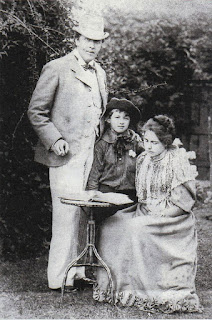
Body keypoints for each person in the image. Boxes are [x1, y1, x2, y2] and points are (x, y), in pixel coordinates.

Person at [27, 13, 109, 291]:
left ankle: (79, 272)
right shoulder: (57, 68)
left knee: (87, 213)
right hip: (64, 157)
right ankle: (59, 278)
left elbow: (100, 114)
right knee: (65, 215)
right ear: (76, 40)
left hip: (91, 156)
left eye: (97, 41)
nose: (92, 45)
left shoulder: (100, 72)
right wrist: (55, 139)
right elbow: (36, 112)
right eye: (87, 39)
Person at [93, 115, 200, 313]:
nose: (148, 146)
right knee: (111, 225)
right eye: (146, 141)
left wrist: (160, 215)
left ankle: (144, 290)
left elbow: (183, 203)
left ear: (166, 142)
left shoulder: (176, 161)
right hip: (144, 210)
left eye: (154, 142)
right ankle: (116, 289)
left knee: (137, 227)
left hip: (172, 218)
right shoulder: (143, 159)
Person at [87, 97, 143, 220]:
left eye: (126, 118)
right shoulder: (102, 145)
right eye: (117, 117)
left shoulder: (136, 142)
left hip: (130, 196)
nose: (121, 122)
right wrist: (92, 196)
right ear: (108, 119)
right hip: (106, 196)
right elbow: (94, 174)